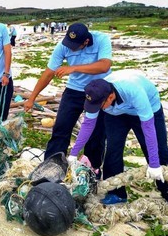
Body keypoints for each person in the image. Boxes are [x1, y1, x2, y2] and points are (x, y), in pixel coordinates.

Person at [69, 70, 168, 205]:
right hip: (116, 114)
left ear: (110, 96)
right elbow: (88, 124)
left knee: (160, 150)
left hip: (146, 111)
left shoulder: (134, 91)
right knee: (113, 148)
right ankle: (116, 193)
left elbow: (148, 128)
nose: (96, 109)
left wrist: (154, 164)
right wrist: (73, 154)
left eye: (98, 106)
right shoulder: (97, 96)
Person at [23, 23, 112, 170]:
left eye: (74, 45)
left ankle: (91, 170)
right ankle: (52, 167)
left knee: (97, 134)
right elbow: (48, 73)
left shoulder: (102, 39)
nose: (70, 47)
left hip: (98, 91)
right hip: (74, 90)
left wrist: (74, 68)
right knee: (61, 128)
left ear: (86, 42)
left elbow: (104, 66)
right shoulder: (63, 46)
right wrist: (32, 98)